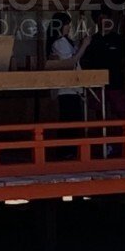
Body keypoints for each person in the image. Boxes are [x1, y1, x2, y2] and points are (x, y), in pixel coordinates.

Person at [46, 12, 91, 157]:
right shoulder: (59, 43)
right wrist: (84, 46)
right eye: (67, 24)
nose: (69, 27)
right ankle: (66, 152)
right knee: (69, 121)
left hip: (72, 87)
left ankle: (68, 151)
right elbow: (70, 62)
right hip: (66, 88)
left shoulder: (64, 41)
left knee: (70, 120)